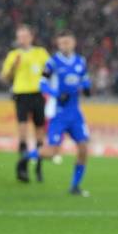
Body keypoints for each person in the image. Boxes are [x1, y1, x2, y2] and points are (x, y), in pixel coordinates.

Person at [17, 30, 91, 196]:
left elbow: (85, 79)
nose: (65, 45)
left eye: (68, 42)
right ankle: (26, 158)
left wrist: (87, 88)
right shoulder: (52, 62)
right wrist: (57, 94)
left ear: (74, 42)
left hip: (75, 114)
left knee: (84, 149)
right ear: (58, 44)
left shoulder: (81, 61)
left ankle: (74, 186)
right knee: (51, 152)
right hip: (58, 113)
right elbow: (42, 84)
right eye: (62, 42)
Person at [1, 24, 50, 182]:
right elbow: (6, 77)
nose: (22, 39)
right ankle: (23, 168)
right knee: (22, 131)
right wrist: (14, 67)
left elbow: (50, 70)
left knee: (39, 133)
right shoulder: (13, 55)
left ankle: (38, 168)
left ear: (31, 37)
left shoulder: (40, 53)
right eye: (19, 36)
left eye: (25, 36)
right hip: (21, 95)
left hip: (38, 94)